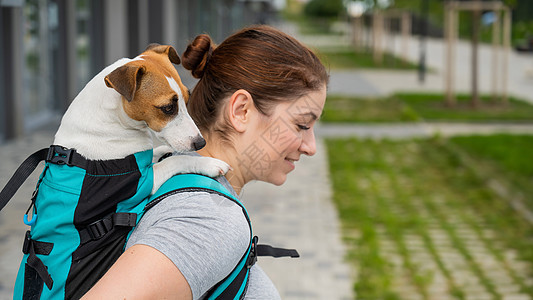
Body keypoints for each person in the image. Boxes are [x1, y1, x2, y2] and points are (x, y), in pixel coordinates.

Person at [82, 25, 328, 299]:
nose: (312, 147)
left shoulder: (174, 173)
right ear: (241, 111)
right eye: (302, 124)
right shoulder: (209, 219)